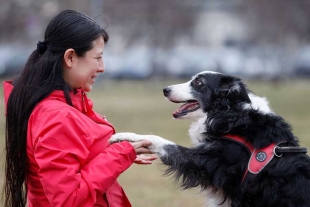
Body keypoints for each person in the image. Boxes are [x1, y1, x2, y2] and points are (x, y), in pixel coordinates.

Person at [3, 10, 157, 207]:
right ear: (70, 58)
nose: (102, 67)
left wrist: (120, 150)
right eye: (97, 57)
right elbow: (68, 199)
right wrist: (118, 155)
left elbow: (75, 155)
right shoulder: (56, 117)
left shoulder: (63, 103)